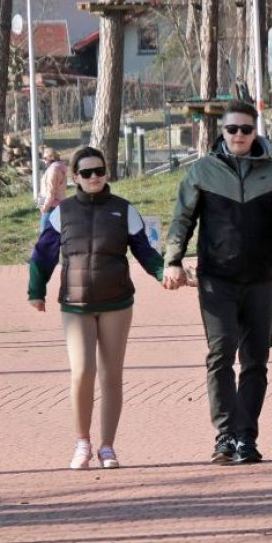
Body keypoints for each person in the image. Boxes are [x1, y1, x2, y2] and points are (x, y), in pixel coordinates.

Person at [163, 100, 272, 465]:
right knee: (220, 355)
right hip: (217, 280)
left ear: (255, 131)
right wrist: (173, 260)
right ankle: (225, 436)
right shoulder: (202, 172)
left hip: (261, 280)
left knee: (256, 360)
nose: (239, 136)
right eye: (232, 129)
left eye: (246, 129)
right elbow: (182, 219)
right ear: (223, 132)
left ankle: (247, 436)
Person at [28, 146, 164, 469]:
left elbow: (145, 251)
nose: (94, 177)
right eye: (86, 173)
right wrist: (36, 290)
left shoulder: (124, 210)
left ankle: (107, 447)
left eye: (99, 171)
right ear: (74, 177)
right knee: (83, 371)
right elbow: (43, 253)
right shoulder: (62, 213)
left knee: (111, 374)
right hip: (76, 305)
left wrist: (163, 272)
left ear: (106, 173)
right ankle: (82, 443)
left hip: (117, 301)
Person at [37, 147, 68, 234]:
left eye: (45, 158)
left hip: (51, 206)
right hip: (57, 205)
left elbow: (50, 192)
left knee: (44, 234)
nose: (44, 160)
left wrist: (44, 208)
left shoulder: (53, 171)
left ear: (52, 158)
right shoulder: (59, 168)